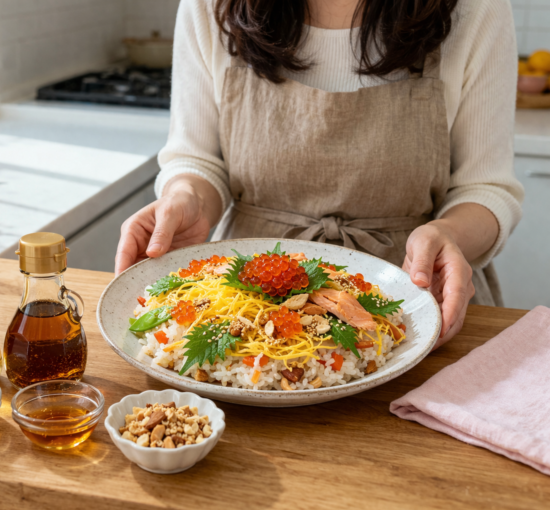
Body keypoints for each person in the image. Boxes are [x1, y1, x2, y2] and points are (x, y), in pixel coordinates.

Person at [116, 0, 524, 347]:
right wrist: (186, 196)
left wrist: (449, 235)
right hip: (242, 309)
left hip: (417, 302)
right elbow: (198, 160)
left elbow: (485, 188)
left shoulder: (475, 9)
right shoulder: (211, 6)